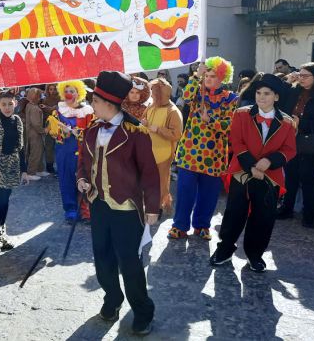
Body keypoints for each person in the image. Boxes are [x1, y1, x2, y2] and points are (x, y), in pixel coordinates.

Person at [77, 70, 160, 336]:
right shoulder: (91, 129)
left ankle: (143, 311)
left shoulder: (136, 133)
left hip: (126, 209)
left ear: (108, 104)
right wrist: (82, 180)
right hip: (99, 205)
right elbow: (83, 164)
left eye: (95, 101)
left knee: (130, 263)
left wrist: (152, 209)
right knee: (102, 257)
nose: (92, 104)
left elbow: (150, 173)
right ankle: (112, 300)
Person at [210, 74, 296, 272]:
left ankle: (255, 254)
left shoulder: (287, 122)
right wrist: (252, 167)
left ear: (276, 97)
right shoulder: (241, 113)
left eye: (266, 94)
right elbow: (236, 142)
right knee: (234, 213)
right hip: (243, 171)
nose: (261, 97)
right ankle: (224, 249)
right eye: (258, 93)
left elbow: (290, 149)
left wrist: (269, 162)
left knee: (264, 217)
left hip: (270, 176)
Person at [169, 57, 237, 240]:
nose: (208, 79)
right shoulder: (197, 92)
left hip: (214, 155)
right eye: (206, 75)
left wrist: (211, 121)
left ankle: (202, 225)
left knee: (208, 195)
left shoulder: (231, 99)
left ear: (223, 78)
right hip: (190, 151)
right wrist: (195, 76)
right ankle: (179, 226)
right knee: (184, 192)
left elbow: (230, 125)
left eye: (213, 76)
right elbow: (185, 98)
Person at [277, 62, 314, 227]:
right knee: (290, 177)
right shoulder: (294, 91)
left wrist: (301, 123)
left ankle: (308, 214)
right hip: (290, 140)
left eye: (305, 76)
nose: (301, 78)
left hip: (312, 142)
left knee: (307, 178)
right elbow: (279, 104)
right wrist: (288, 81)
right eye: (300, 75)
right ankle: (287, 209)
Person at [0, 90, 29, 258]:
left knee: (6, 200)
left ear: (15, 103)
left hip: (13, 165)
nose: (7, 107)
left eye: (10, 104)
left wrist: (24, 171)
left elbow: (21, 148)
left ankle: (2, 234)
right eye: (4, 104)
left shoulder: (17, 121)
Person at [47, 80, 94, 222]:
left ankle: (86, 210)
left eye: (72, 91)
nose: (68, 94)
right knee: (66, 179)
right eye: (66, 91)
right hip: (65, 150)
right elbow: (52, 131)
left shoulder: (88, 112)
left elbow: (92, 131)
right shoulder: (58, 111)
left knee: (85, 178)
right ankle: (71, 209)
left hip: (83, 150)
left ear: (78, 93)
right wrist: (62, 132)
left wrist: (76, 132)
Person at [142, 78, 183, 212]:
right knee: (148, 180)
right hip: (148, 151)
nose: (152, 94)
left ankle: (158, 207)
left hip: (163, 153)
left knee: (161, 181)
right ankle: (149, 204)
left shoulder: (173, 111)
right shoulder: (151, 106)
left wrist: (156, 129)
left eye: (154, 92)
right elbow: (144, 122)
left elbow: (176, 134)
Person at [24, 88, 49, 180]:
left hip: (31, 132)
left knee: (39, 151)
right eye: (39, 95)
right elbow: (36, 123)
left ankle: (39, 169)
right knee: (35, 152)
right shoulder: (34, 108)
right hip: (35, 133)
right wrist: (44, 130)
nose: (40, 97)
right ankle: (31, 172)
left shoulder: (30, 105)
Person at [40, 83, 61, 174]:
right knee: (49, 146)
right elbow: (44, 112)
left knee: (59, 145)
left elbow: (57, 110)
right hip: (48, 125)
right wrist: (51, 109)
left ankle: (60, 165)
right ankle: (49, 166)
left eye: (54, 89)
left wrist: (49, 108)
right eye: (50, 89)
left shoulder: (60, 99)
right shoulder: (44, 100)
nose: (52, 91)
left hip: (60, 125)